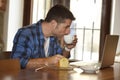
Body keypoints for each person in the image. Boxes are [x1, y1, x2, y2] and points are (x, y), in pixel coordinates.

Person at [11, 5, 77, 69]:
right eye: (66, 27)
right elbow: (17, 62)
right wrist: (46, 61)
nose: (68, 32)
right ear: (53, 24)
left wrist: (67, 49)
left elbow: (59, 61)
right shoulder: (26, 33)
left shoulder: (54, 36)